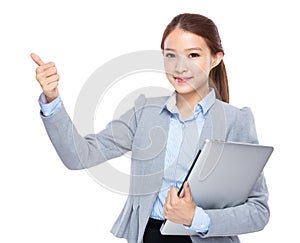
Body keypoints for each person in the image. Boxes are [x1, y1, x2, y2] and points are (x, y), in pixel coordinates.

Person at [31, 13, 269, 243]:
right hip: (149, 236)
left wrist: (197, 218)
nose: (179, 68)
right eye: (171, 55)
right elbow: (78, 156)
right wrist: (52, 99)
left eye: (193, 55)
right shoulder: (144, 113)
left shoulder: (236, 121)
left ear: (215, 58)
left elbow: (258, 211)